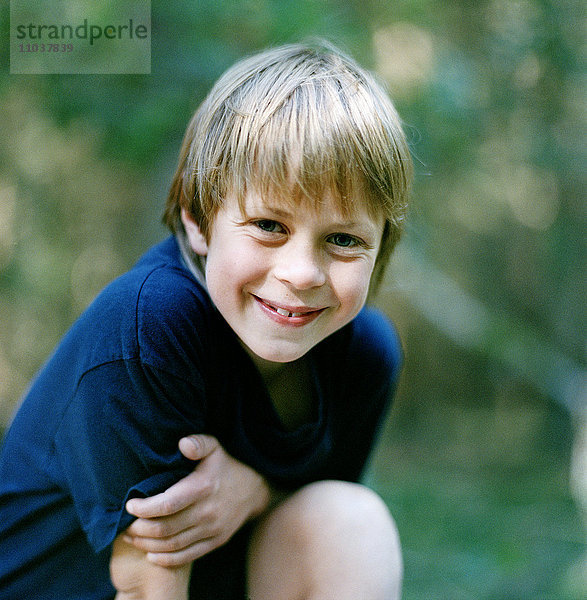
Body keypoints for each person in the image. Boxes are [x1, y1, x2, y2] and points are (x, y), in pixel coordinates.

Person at [0, 41, 412, 599]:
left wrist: (256, 491)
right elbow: (147, 586)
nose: (302, 273)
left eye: (343, 239)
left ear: (381, 245)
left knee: (349, 523)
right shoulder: (150, 323)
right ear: (198, 220)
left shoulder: (364, 354)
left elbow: (308, 525)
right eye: (269, 224)